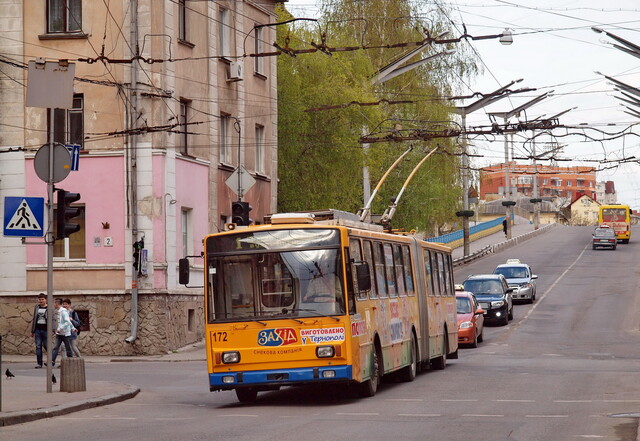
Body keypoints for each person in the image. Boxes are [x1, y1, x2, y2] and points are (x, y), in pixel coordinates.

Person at [52, 297, 74, 366]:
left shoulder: (63, 311)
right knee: (56, 347)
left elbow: (67, 322)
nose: (54, 304)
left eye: (54, 303)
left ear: (57, 303)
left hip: (65, 334)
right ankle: (52, 362)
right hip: (60, 334)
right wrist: (73, 328)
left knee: (68, 348)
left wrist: (60, 328)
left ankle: (71, 361)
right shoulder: (59, 311)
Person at [30, 293, 48, 368]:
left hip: (46, 330)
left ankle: (50, 361)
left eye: (42, 299)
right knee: (38, 347)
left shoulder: (49, 307)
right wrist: (32, 330)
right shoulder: (37, 307)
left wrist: (53, 329)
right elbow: (34, 318)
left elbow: (53, 319)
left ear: (45, 300)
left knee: (47, 346)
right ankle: (39, 363)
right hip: (38, 330)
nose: (41, 301)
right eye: (40, 299)